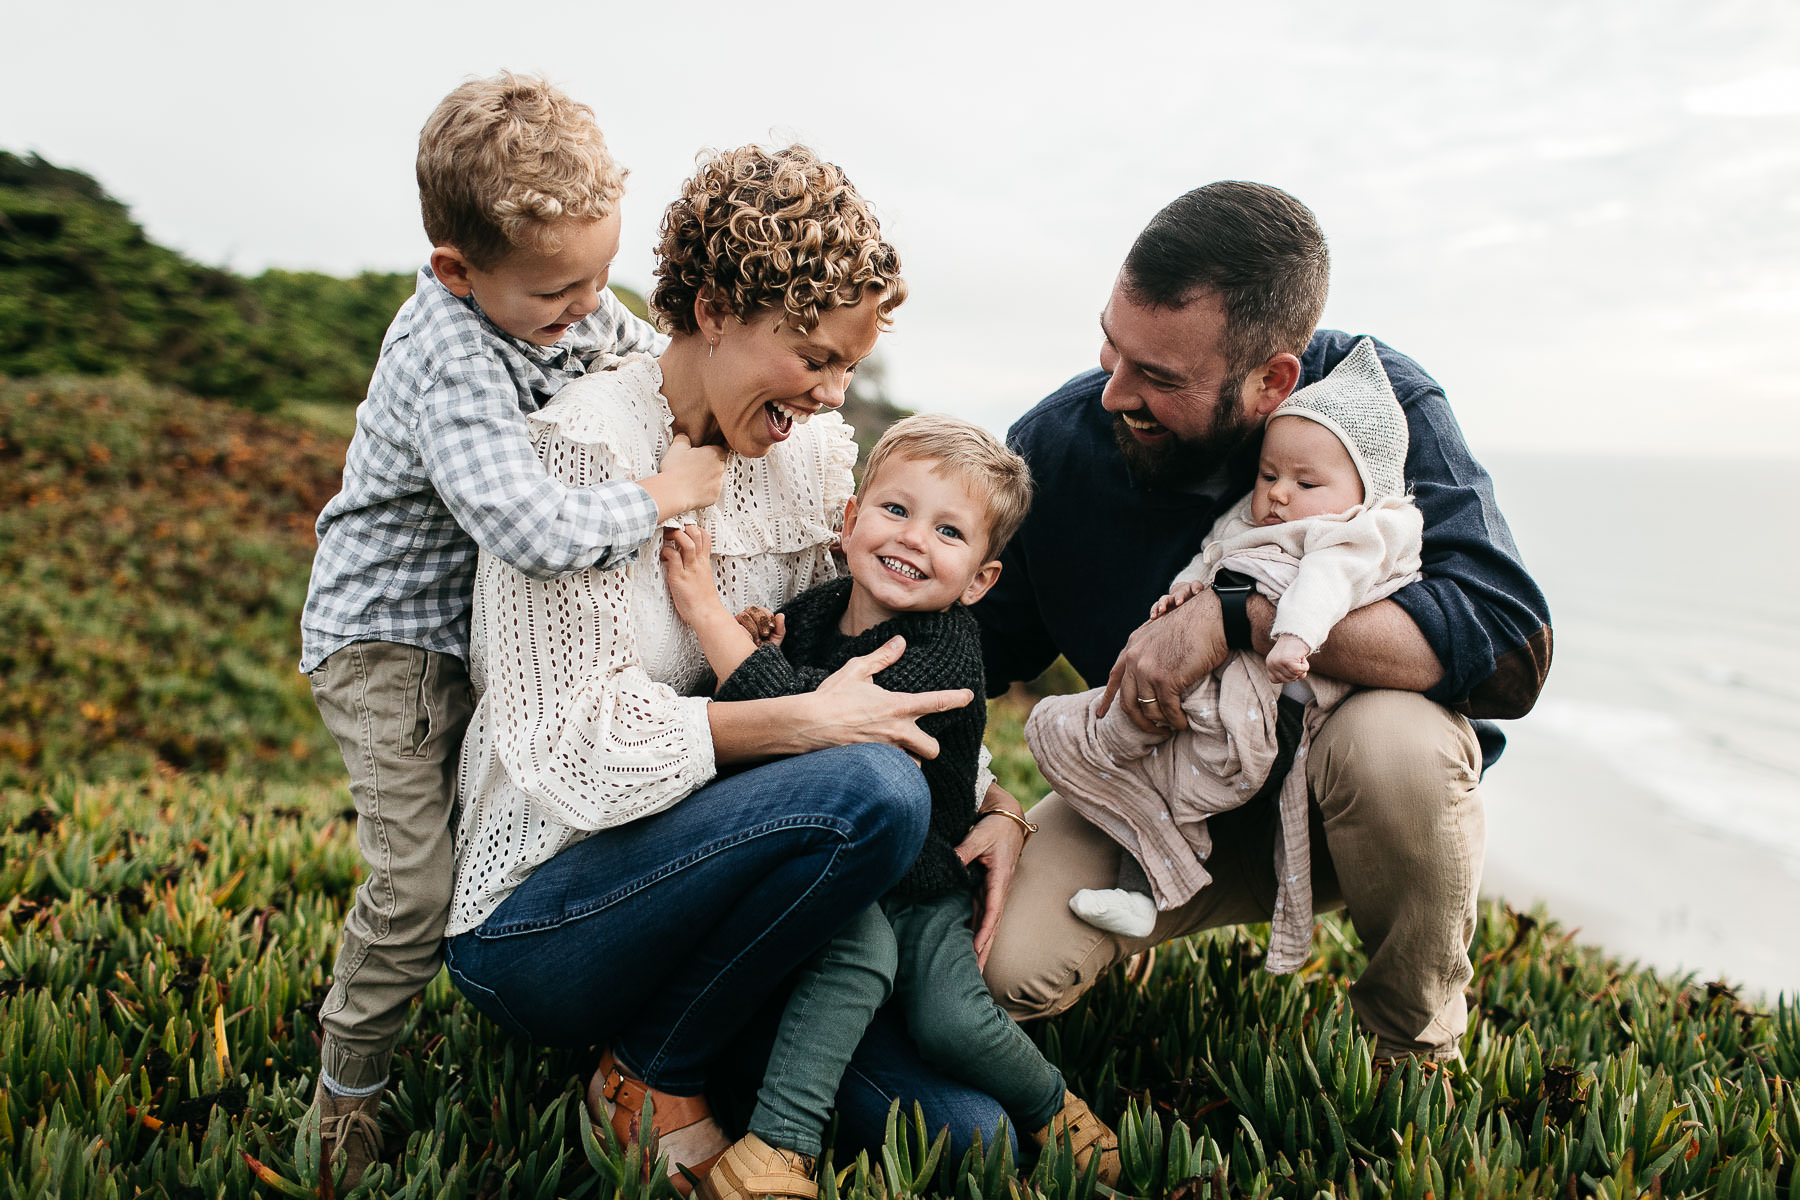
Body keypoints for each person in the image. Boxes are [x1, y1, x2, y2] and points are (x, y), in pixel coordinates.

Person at [441, 144, 1008, 1194]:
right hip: (549, 920)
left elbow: (854, 677)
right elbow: (561, 744)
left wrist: (995, 801)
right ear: (711, 306)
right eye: (813, 356)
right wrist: (798, 729)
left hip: (747, 898)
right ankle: (651, 1074)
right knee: (871, 785)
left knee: (971, 1136)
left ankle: (691, 1036)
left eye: (848, 365)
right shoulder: (580, 454)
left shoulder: (809, 465)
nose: (833, 395)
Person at [974, 180, 1553, 1065]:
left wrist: (1239, 614)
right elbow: (969, 648)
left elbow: (1507, 648)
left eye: (1159, 378)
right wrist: (977, 793)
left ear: (1273, 380)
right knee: (1001, 967)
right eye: (1111, 344)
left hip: (1338, 803)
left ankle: (1412, 1048)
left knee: (1396, 745)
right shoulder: (1059, 445)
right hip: (1158, 797)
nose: (1111, 393)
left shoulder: (1374, 411)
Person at [296, 73, 728, 1188]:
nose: (587, 307)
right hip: (387, 647)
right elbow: (531, 527)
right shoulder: (447, 353)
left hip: (467, 637)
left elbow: (637, 353)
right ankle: (344, 1101)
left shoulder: (560, 296)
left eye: (601, 276)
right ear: (457, 270)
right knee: (413, 886)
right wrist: (667, 492)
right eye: (558, 292)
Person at [661, 415, 1119, 1200]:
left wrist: (706, 614)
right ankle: (776, 1151)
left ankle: (1055, 1109)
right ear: (849, 522)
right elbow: (764, 710)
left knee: (953, 1018)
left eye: (949, 530)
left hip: (921, 882)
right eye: (896, 511)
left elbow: (813, 731)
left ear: (979, 579)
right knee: (854, 957)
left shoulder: (943, 647)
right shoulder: (815, 611)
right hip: (833, 877)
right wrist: (762, 642)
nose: (913, 539)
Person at [1027, 337, 1424, 958]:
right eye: (1270, 475)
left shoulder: (1352, 532)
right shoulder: (1253, 517)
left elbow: (1324, 586)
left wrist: (1289, 635)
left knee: (1195, 767)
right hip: (1214, 692)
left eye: (1305, 481)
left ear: (1363, 490)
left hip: (1280, 705)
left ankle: (1409, 1029)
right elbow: (1211, 554)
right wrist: (1183, 595)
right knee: (1147, 767)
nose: (1280, 494)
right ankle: (1142, 888)